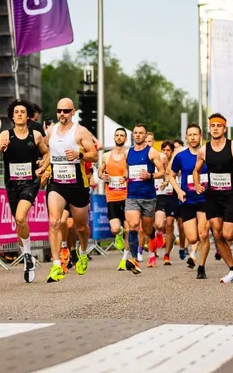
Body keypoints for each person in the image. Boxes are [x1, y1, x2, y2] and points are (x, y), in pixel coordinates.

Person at [0, 100, 50, 283]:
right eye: (16, 112)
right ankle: (27, 257)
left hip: (30, 182)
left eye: (23, 112)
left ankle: (28, 255)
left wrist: (42, 166)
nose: (20, 114)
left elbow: (47, 153)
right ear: (12, 116)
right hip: (12, 184)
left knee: (21, 217)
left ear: (28, 115)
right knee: (18, 220)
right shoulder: (5, 135)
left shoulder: (36, 135)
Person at [194, 114, 233, 284]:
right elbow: (196, 171)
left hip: (231, 195)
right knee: (216, 232)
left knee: (227, 234)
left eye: (219, 125)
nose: (215, 128)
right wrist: (198, 185)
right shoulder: (203, 150)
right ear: (209, 128)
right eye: (212, 125)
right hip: (213, 195)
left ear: (225, 128)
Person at [44, 98, 98, 282]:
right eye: (59, 110)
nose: (61, 114)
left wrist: (79, 154)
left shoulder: (81, 132)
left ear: (73, 112)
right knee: (54, 222)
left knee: (81, 226)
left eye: (66, 111)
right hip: (56, 183)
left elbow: (95, 155)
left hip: (77, 184)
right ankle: (56, 265)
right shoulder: (50, 131)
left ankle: (83, 252)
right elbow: (47, 152)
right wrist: (42, 166)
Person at [169, 124, 210, 277]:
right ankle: (195, 250)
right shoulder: (180, 156)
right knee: (193, 238)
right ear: (186, 137)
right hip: (187, 199)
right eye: (190, 135)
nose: (192, 137)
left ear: (201, 136)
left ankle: (201, 267)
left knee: (204, 233)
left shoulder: (208, 154)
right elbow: (171, 176)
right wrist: (178, 191)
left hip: (205, 199)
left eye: (195, 134)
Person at [124, 123, 166, 271]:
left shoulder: (152, 152)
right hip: (132, 196)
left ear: (145, 135)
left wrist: (151, 175)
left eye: (141, 133)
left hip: (148, 197)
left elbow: (162, 172)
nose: (137, 135)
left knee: (148, 230)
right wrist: (123, 177)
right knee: (133, 225)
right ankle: (135, 259)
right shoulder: (127, 153)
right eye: (135, 133)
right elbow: (126, 171)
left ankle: (154, 241)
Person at [99, 128, 135, 272]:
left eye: (122, 136)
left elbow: (132, 171)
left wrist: (127, 176)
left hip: (127, 196)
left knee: (128, 228)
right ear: (114, 137)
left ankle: (124, 259)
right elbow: (100, 172)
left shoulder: (128, 155)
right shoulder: (106, 156)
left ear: (125, 139)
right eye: (117, 135)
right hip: (112, 197)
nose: (119, 138)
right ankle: (118, 234)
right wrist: (103, 176)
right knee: (115, 229)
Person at [154, 141, 179, 266]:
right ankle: (160, 236)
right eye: (164, 150)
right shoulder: (157, 163)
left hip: (172, 196)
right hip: (159, 195)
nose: (166, 152)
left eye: (168, 150)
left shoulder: (176, 163)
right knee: (159, 225)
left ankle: (167, 254)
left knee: (169, 224)